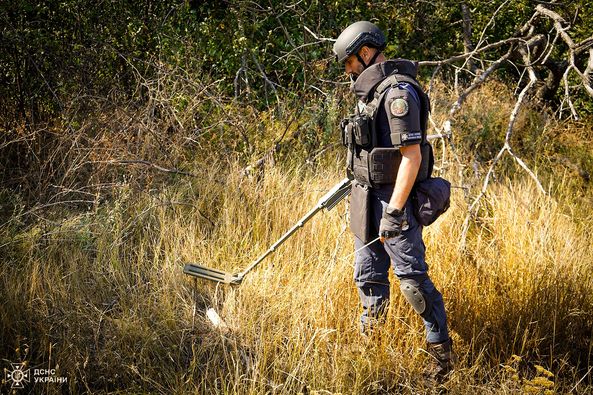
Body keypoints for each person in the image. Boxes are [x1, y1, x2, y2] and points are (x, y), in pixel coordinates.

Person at [333, 21, 454, 380]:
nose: (348, 70)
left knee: (413, 283)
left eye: (350, 61)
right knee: (368, 277)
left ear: (366, 52)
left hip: (392, 202)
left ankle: (441, 360)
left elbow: (411, 157)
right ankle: (369, 353)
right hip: (365, 197)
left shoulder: (398, 93)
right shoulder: (369, 94)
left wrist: (396, 212)